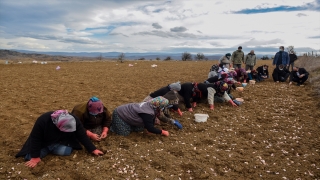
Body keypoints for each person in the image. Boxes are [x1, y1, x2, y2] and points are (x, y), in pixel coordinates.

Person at [15, 110, 104, 168]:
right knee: (30, 157)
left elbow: (82, 135)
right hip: (44, 141)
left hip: (61, 140)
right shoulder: (43, 121)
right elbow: (35, 138)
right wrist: (35, 157)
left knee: (67, 151)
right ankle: (47, 148)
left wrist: (93, 149)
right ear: (58, 125)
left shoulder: (74, 120)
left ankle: (50, 148)